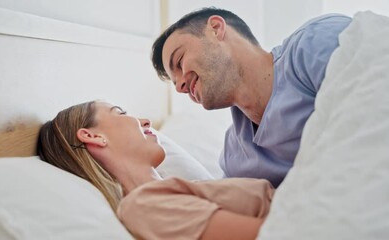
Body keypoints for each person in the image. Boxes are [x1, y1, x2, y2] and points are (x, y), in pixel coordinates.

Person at [151, 7, 352, 187]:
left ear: (215, 28)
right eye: (174, 82)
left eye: (179, 61)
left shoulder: (315, 43)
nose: (179, 87)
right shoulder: (236, 156)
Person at [37, 100, 274, 240]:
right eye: (120, 112)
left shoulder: (178, 192)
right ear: (93, 136)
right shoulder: (144, 206)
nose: (145, 121)